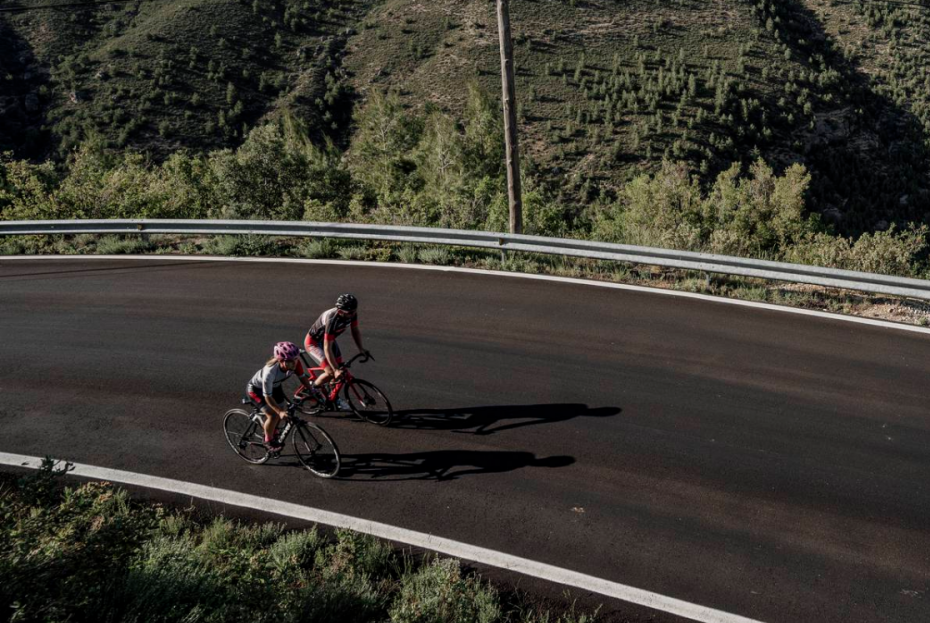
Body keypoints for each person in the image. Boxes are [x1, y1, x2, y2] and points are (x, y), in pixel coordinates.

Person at [303, 293, 369, 409]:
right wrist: (335, 369)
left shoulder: (351, 313)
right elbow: (326, 348)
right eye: (349, 313)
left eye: (354, 311)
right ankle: (311, 389)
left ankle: (334, 398)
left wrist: (361, 348)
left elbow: (355, 330)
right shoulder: (332, 319)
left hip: (329, 341)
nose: (353, 314)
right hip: (314, 343)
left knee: (340, 369)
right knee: (331, 372)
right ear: (340, 311)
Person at [246, 341, 315, 451]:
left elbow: (302, 377)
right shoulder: (270, 372)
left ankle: (273, 429)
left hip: (275, 386)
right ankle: (267, 440)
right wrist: (279, 412)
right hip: (256, 390)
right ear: (280, 360)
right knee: (274, 415)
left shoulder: (295, 362)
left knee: (283, 408)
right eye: (289, 362)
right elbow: (268, 397)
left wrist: (312, 391)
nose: (294, 364)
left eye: (296, 359)